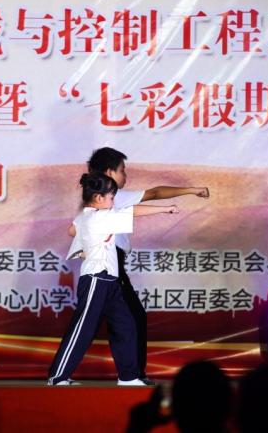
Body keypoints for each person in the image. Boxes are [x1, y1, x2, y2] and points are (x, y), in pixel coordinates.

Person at [75, 146, 209, 382]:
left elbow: (74, 230)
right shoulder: (114, 197)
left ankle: (130, 375)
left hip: (108, 263)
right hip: (110, 263)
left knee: (122, 319)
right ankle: (130, 375)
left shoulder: (97, 199)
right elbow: (155, 193)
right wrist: (192, 190)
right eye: (122, 170)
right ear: (109, 172)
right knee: (118, 320)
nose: (125, 176)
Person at [48, 172, 178, 386]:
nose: (114, 201)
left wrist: (87, 238)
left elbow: (71, 230)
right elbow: (133, 211)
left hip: (110, 280)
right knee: (83, 328)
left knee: (125, 325)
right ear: (98, 198)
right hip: (95, 279)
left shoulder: (88, 217)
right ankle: (57, 376)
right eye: (111, 196)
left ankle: (128, 376)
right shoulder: (99, 217)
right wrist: (165, 208)